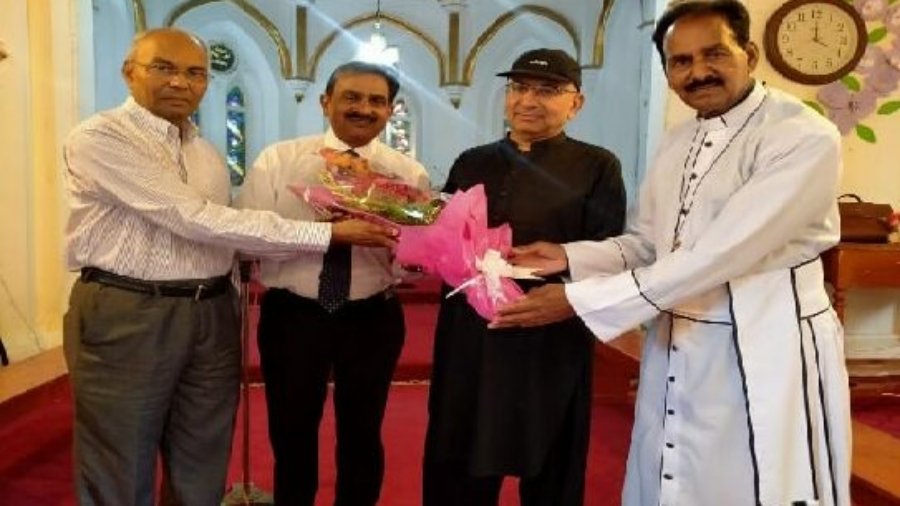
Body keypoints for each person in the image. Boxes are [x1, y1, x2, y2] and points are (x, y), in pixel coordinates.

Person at [492, 2, 852, 505]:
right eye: (680, 61)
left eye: (714, 54)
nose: (697, 71)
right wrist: (567, 257)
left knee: (757, 480)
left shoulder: (801, 136)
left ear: (748, 54)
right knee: (671, 476)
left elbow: (720, 255)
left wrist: (578, 300)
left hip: (767, 343)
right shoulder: (677, 140)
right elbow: (647, 243)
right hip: (677, 336)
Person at [62, 29, 397, 506]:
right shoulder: (101, 138)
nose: (181, 82)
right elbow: (196, 219)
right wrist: (327, 233)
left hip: (213, 312)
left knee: (202, 453)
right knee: (121, 455)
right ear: (129, 72)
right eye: (165, 68)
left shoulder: (204, 152)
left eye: (195, 72)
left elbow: (229, 239)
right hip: (131, 309)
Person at [422, 48, 626, 506]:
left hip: (549, 335)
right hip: (472, 337)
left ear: (576, 102)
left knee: (551, 458)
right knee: (458, 451)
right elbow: (443, 238)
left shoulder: (598, 166)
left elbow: (610, 250)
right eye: (519, 88)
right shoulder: (471, 161)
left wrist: (564, 293)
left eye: (548, 90)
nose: (529, 100)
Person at [235, 61, 429, 506]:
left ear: (391, 110)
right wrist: (326, 233)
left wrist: (413, 255)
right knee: (292, 432)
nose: (364, 108)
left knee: (363, 434)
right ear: (326, 102)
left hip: (372, 317)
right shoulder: (279, 160)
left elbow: (410, 258)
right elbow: (247, 234)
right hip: (294, 316)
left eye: (377, 101)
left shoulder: (407, 174)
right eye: (352, 97)